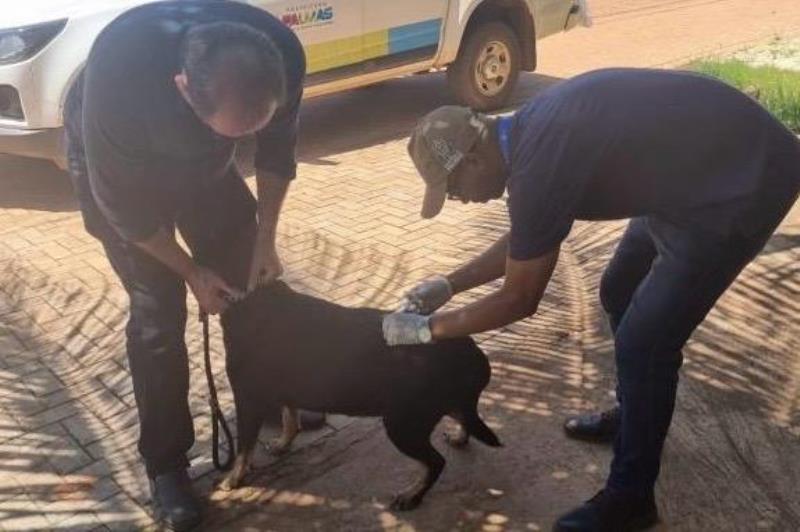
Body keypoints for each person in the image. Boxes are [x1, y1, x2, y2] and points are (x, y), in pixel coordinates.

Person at [382, 68, 800, 531]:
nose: (459, 200)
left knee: (645, 346)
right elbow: (529, 237)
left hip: (740, 186)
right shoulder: (523, 138)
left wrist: (428, 329)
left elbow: (519, 298)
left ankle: (630, 498)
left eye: (453, 188)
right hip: (687, 181)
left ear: (474, 158)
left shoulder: (538, 163)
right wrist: (448, 285)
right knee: (618, 288)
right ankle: (635, 411)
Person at [64, 1, 321, 529]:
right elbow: (125, 214)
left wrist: (265, 240)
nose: (239, 142)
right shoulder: (121, 80)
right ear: (183, 87)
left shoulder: (280, 54)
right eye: (230, 133)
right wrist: (191, 272)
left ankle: (264, 395)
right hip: (122, 180)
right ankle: (166, 466)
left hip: (205, 173)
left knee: (254, 284)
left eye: (242, 134)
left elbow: (276, 154)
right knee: (158, 316)